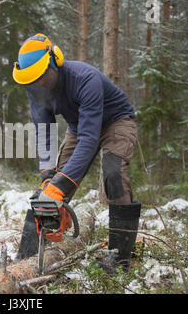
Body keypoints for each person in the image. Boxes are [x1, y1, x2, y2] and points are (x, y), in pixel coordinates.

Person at [13, 33, 141, 275]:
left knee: (113, 173)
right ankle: (27, 256)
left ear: (54, 62)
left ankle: (119, 259)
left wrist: (60, 185)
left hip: (116, 122)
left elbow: (89, 139)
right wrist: (48, 176)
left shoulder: (84, 78)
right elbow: (45, 132)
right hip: (78, 127)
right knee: (50, 184)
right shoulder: (34, 89)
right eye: (31, 80)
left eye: (41, 76)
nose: (37, 83)